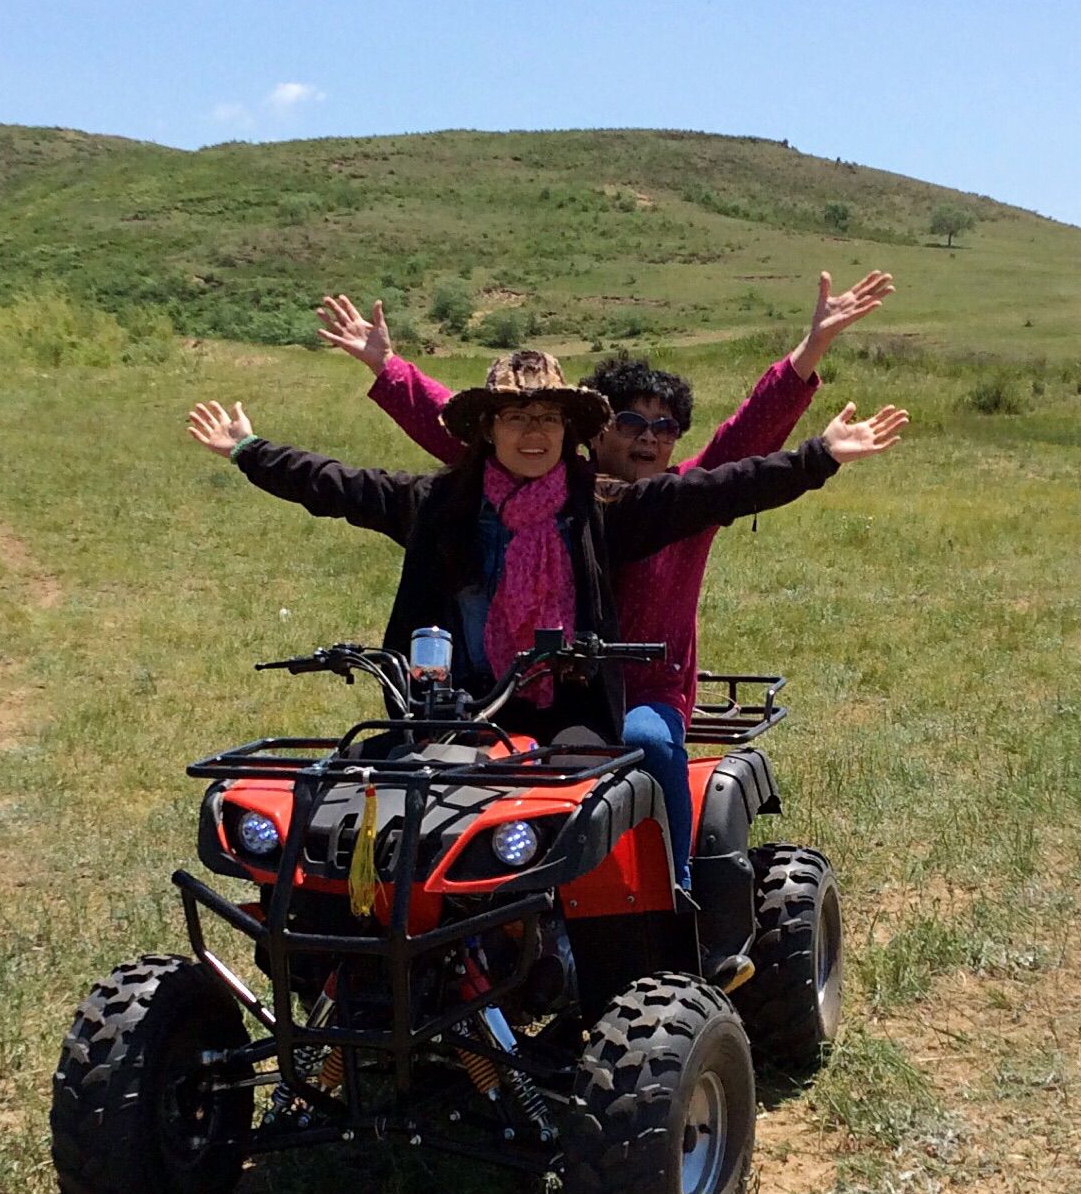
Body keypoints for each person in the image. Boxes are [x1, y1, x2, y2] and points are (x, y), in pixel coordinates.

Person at [315, 273, 892, 890]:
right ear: (593, 432)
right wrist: (388, 368)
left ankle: (677, 891)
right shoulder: (557, 494)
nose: (649, 436)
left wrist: (811, 351)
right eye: (630, 421)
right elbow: (478, 434)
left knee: (647, 740)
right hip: (553, 686)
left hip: (645, 687)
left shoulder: (683, 502)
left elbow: (746, 440)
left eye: (666, 426)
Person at [186, 350, 907, 750]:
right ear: (488, 431)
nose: (532, 432)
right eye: (515, 418)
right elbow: (338, 485)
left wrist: (817, 456)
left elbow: (720, 486)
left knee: (601, 806)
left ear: (568, 432)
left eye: (547, 418)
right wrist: (248, 449)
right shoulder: (439, 505)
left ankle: (648, 938)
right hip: (455, 708)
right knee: (363, 787)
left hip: (571, 714)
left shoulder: (603, 510)